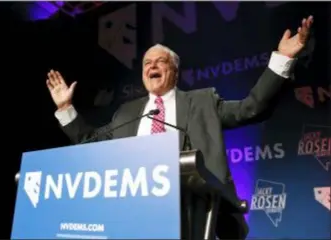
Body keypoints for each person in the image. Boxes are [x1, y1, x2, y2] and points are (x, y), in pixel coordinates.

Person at [46, 16, 313, 239]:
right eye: (146, 63)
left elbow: (252, 107)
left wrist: (281, 60)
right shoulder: (126, 113)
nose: (151, 66)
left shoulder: (202, 102)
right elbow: (90, 142)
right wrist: (65, 109)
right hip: (132, 215)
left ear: (174, 70)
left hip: (193, 211)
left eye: (159, 61)